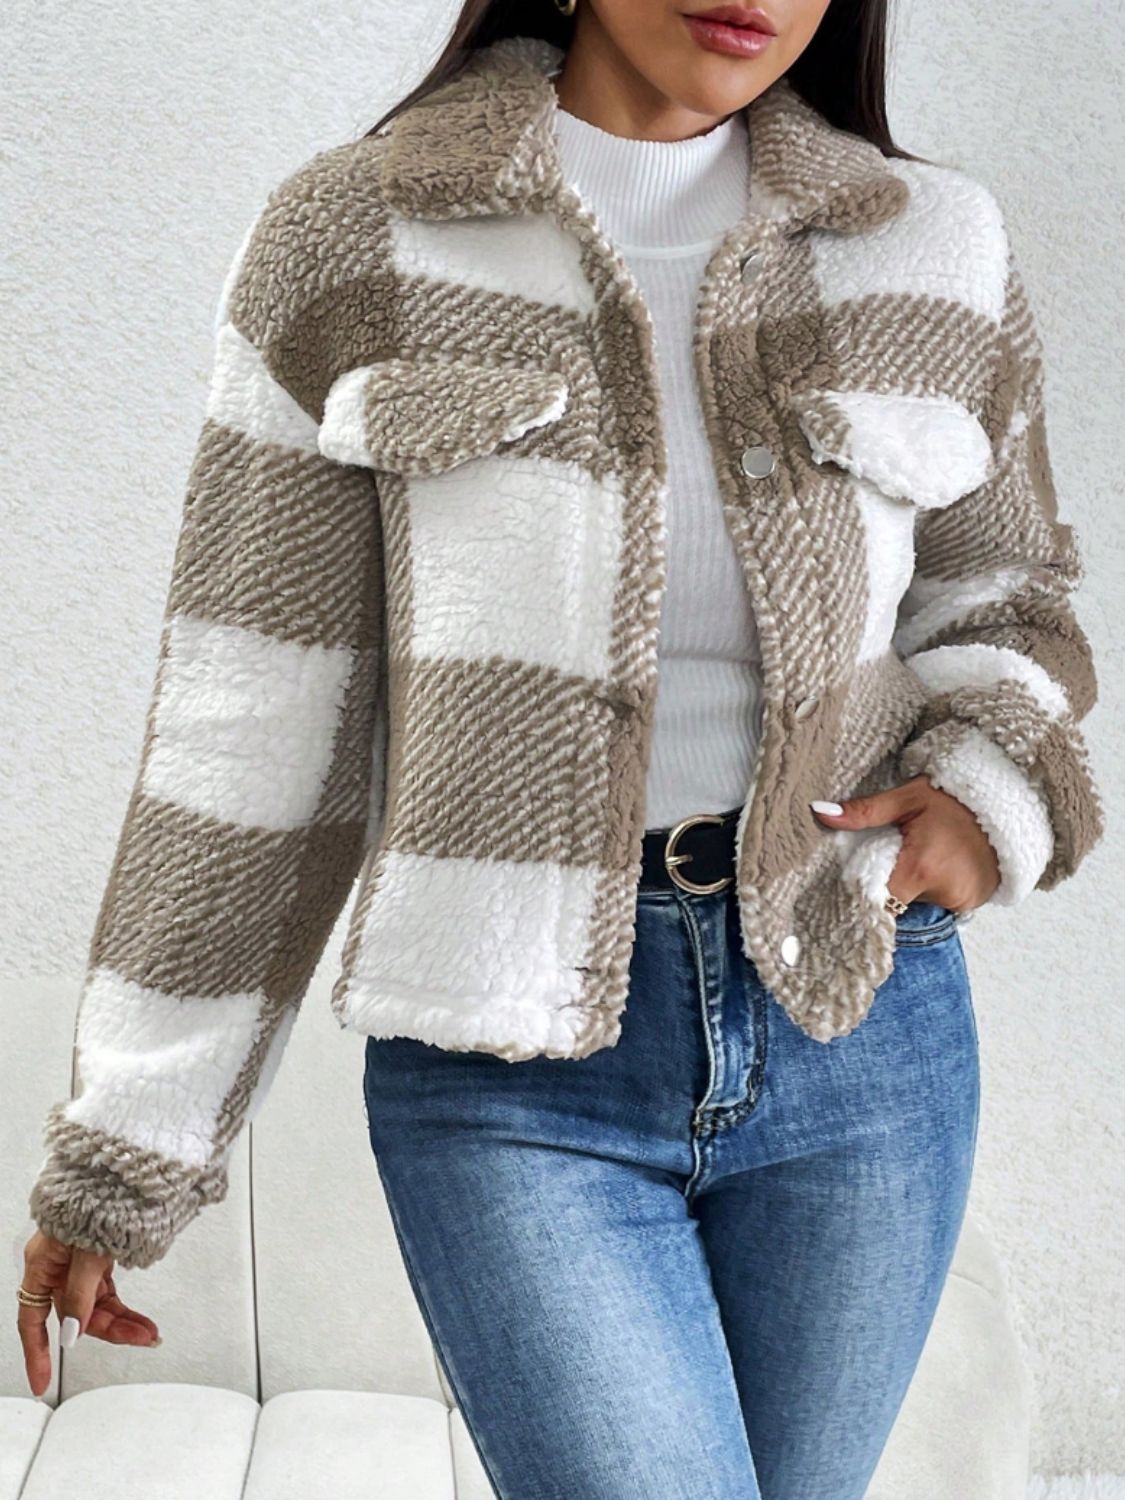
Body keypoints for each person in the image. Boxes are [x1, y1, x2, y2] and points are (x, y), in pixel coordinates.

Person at [18, 1, 1103, 1495]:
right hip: (510, 1073)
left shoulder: (931, 240)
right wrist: (127, 1146)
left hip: (862, 1028)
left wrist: (987, 797)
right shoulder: (354, 234)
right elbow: (252, 726)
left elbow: (1007, 595)